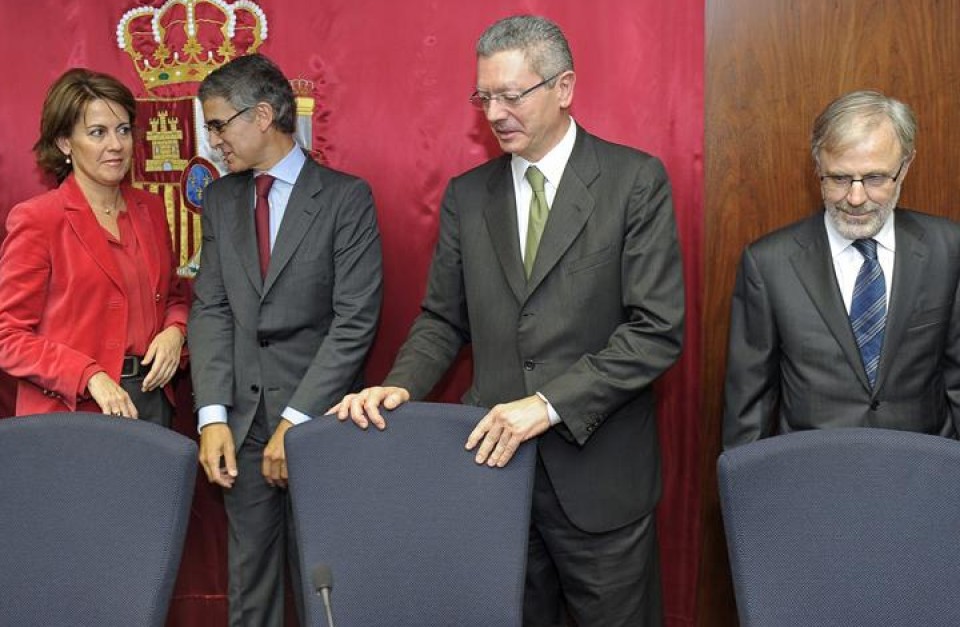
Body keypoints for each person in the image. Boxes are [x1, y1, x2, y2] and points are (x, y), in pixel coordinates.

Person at [333, 15, 684, 626]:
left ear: (564, 87)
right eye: (484, 96)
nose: (494, 113)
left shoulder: (634, 181)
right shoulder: (469, 196)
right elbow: (444, 318)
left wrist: (547, 403)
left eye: (511, 95)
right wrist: (402, 383)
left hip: (600, 478)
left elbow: (655, 330)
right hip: (494, 477)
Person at [188, 53, 382, 627]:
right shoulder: (221, 201)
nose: (213, 139)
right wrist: (213, 415)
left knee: (329, 583)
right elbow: (212, 309)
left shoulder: (346, 198)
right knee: (251, 591)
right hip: (243, 429)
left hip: (322, 424)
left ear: (264, 114)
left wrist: (296, 421)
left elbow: (354, 323)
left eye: (219, 124)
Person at [723, 89, 960, 449]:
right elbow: (749, 409)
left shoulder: (950, 249)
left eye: (876, 178)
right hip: (812, 480)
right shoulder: (769, 263)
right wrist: (748, 500)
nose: (855, 198)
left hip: (923, 476)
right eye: (838, 178)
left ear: (906, 165)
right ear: (818, 167)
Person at [0, 68, 187, 424]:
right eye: (97, 133)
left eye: (123, 130)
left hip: (151, 402)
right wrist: (87, 375)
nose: (115, 145)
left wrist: (175, 331)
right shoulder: (38, 219)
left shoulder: (150, 208)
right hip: (73, 412)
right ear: (65, 143)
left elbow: (174, 296)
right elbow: (7, 336)